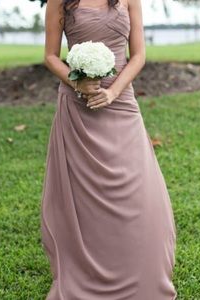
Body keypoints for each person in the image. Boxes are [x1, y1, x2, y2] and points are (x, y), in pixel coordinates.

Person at [40, 0, 177, 299]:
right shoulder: (59, 1)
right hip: (79, 106)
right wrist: (78, 85)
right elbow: (50, 56)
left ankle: (142, 273)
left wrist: (114, 91)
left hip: (121, 102)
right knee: (85, 199)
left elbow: (138, 55)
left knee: (138, 190)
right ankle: (86, 273)